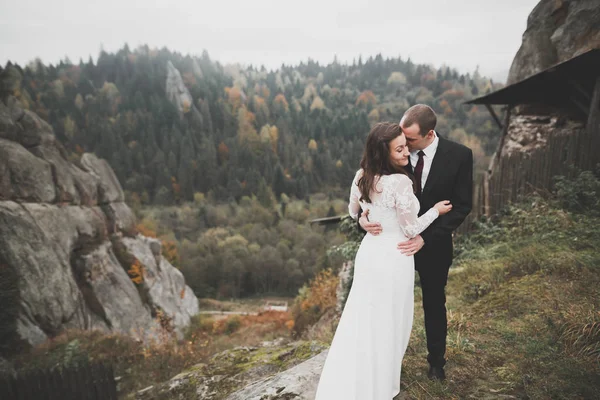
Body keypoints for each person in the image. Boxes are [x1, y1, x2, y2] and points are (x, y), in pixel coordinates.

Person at [314, 122, 452, 399]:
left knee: (365, 316)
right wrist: (436, 212)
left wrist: (364, 220)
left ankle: (360, 371)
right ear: (383, 153)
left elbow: (353, 211)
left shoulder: (361, 176)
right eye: (399, 149)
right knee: (391, 320)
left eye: (405, 146)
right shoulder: (399, 182)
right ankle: (380, 381)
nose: (406, 153)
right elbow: (411, 229)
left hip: (370, 253)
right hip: (395, 254)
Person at [359, 104, 473, 381]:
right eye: (401, 140)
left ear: (429, 133)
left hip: (434, 245)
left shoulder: (459, 155)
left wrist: (425, 238)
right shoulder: (394, 152)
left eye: (409, 140)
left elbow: (461, 206)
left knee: (434, 303)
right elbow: (368, 190)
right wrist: (361, 219)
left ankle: (436, 363)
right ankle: (385, 363)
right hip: (392, 249)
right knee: (386, 305)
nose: (403, 147)